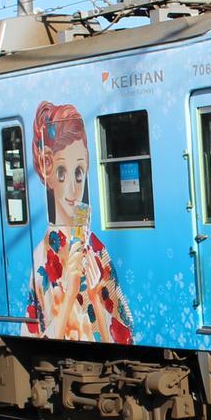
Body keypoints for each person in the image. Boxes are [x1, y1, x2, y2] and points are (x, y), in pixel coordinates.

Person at [24, 101, 134, 344]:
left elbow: (123, 340)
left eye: (79, 173)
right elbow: (34, 336)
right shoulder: (41, 257)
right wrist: (71, 292)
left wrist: (95, 296)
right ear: (47, 174)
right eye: (62, 173)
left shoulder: (97, 251)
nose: (74, 189)